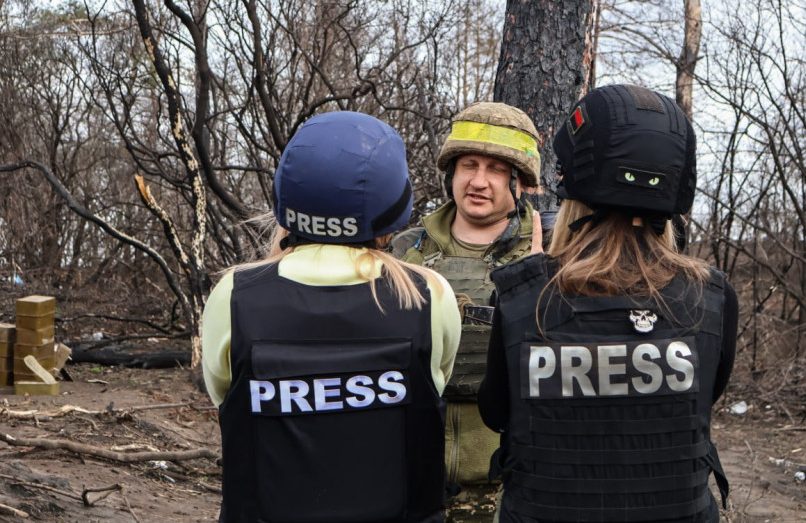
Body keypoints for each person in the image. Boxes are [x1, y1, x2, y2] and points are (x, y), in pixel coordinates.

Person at [478, 84, 738, 522]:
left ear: (573, 183)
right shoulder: (712, 297)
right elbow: (699, 401)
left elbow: (496, 412)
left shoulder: (522, 295)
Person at [202, 111, 462, 523]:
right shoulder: (428, 296)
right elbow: (435, 382)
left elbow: (225, 397)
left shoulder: (234, 296)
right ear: (392, 204)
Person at [393, 102, 542, 507]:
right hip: (415, 481)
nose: (478, 181)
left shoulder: (549, 255)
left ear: (520, 182)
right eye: (468, 165)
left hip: (510, 487)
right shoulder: (405, 251)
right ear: (451, 173)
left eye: (496, 169)